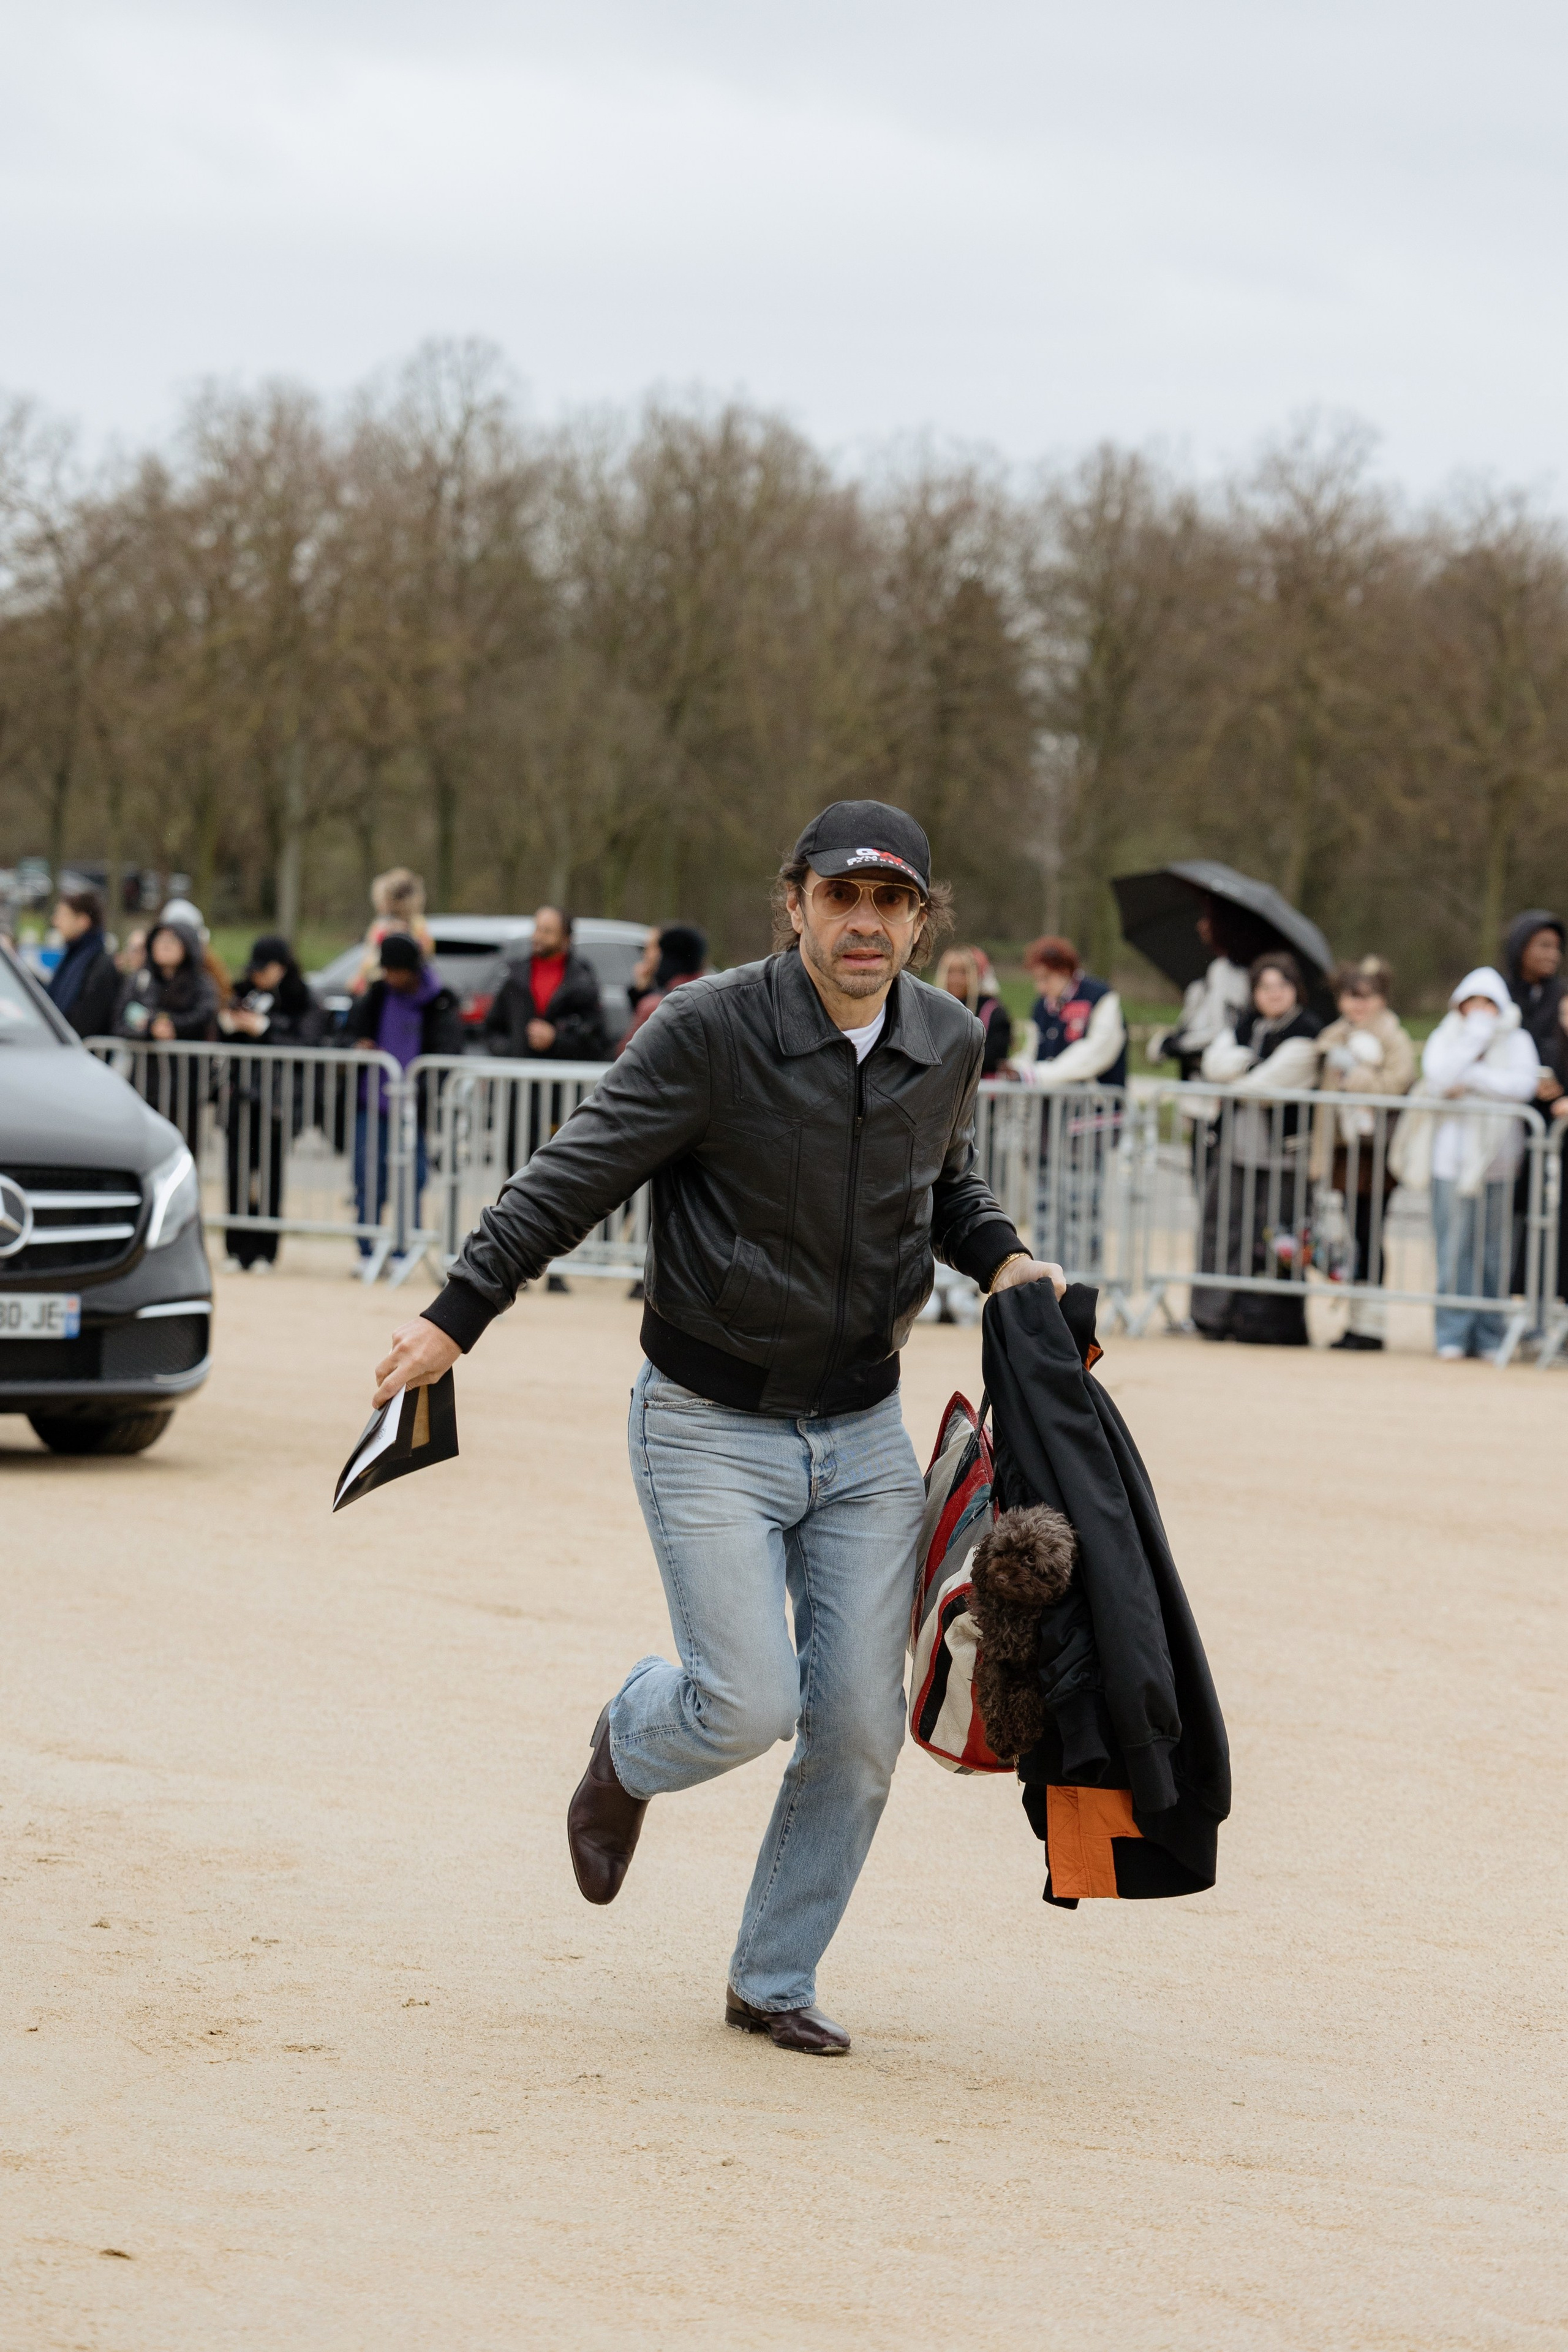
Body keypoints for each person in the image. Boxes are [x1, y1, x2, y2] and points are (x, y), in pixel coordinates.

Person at [369, 799, 1063, 2055]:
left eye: (891, 902)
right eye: (840, 897)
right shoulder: (706, 1029)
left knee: (859, 1728)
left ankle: (772, 1978)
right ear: (794, 903)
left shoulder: (948, 1037)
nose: (864, 924)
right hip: (705, 1423)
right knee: (745, 1704)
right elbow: (574, 1172)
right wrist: (455, 1317)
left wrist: (1005, 1257)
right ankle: (629, 1742)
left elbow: (941, 1185)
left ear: (921, 921)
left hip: (863, 1432)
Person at [1390, 968, 1540, 1360]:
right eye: (1473, 1003)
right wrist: (1475, 1041)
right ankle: (1452, 1331)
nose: (1480, 1011)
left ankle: (1489, 1333)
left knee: (1493, 1252)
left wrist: (1472, 1078)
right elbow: (1439, 1078)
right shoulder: (1447, 1035)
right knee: (1453, 1248)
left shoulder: (1517, 1039)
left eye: (1488, 1004)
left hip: (1499, 1161)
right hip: (1450, 1163)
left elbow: (1522, 1086)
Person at [1192, 952, 1323, 1345]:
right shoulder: (1244, 1025)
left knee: (1278, 1240)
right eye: (1265, 987)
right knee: (1221, 1231)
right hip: (1234, 1151)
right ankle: (1213, 1315)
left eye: (1282, 986)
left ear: (1295, 989)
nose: (1273, 994)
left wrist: (1236, 1072)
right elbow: (1212, 1065)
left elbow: (1267, 1086)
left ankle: (1269, 1321)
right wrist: (1246, 1065)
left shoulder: (1307, 1032)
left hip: (1284, 1158)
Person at [1311, 958, 1417, 1352]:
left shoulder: (1394, 1038)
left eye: (1366, 997)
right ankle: (1356, 1319)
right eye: (1350, 997)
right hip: (1344, 1150)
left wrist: (1361, 1077)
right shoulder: (1332, 1038)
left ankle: (1371, 1324)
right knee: (1354, 1234)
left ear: (1381, 1000)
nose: (1358, 1006)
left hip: (1376, 1153)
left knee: (1371, 1235)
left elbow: (1399, 1081)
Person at [346, 933, 463, 1262]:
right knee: (368, 1176)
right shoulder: (376, 995)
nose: (391, 977)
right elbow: (349, 1033)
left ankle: (405, 1246)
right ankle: (368, 1248)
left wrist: (428, 1088)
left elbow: (448, 1050)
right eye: (386, 970)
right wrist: (357, 1046)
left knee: (413, 1178)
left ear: (412, 969)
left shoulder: (440, 1001)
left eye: (396, 970)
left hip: (413, 1107)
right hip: (373, 1101)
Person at [219, 935, 326, 1270]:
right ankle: (236, 1250)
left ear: (280, 968)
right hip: (240, 1098)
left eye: (263, 969)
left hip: (278, 1103)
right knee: (237, 1173)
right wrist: (229, 1025)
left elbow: (307, 1042)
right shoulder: (243, 994)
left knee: (269, 1176)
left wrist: (264, 1028)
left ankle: (266, 1251)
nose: (256, 975)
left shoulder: (302, 998)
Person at [113, 918, 220, 1150]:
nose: (164, 945)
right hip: (145, 1082)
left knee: (182, 1145)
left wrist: (174, 1027)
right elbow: (121, 1020)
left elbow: (205, 1015)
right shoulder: (141, 980)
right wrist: (150, 1030)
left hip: (185, 1085)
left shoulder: (202, 983)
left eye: (172, 940)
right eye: (159, 940)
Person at [484, 907, 612, 1063]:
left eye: (547, 931)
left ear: (566, 938)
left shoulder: (582, 980)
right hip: (519, 1073)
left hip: (562, 1073)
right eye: (537, 929)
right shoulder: (515, 976)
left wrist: (556, 1040)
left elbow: (595, 1039)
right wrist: (510, 1051)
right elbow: (492, 1029)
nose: (538, 936)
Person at [1011, 936, 1127, 1088]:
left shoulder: (1100, 997)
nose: (1040, 987)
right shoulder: (1041, 1007)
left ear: (1064, 971)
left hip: (1095, 1100)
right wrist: (1015, 1068)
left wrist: (1040, 1074)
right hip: (1051, 1101)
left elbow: (1099, 1050)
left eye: (1046, 978)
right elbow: (1033, 1050)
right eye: (1037, 979)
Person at [45, 885, 119, 1038]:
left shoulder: (99, 965)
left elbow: (87, 1022)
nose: (55, 922)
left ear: (83, 921)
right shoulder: (72, 957)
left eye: (63, 915)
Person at [619, 924, 709, 1047]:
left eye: (652, 947)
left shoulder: (657, 1004)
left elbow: (628, 1053)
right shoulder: (708, 993)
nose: (646, 954)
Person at [933, 946, 1011, 1076]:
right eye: (950, 972)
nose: (956, 979)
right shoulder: (931, 1009)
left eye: (963, 972)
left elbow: (995, 1057)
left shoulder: (992, 1012)